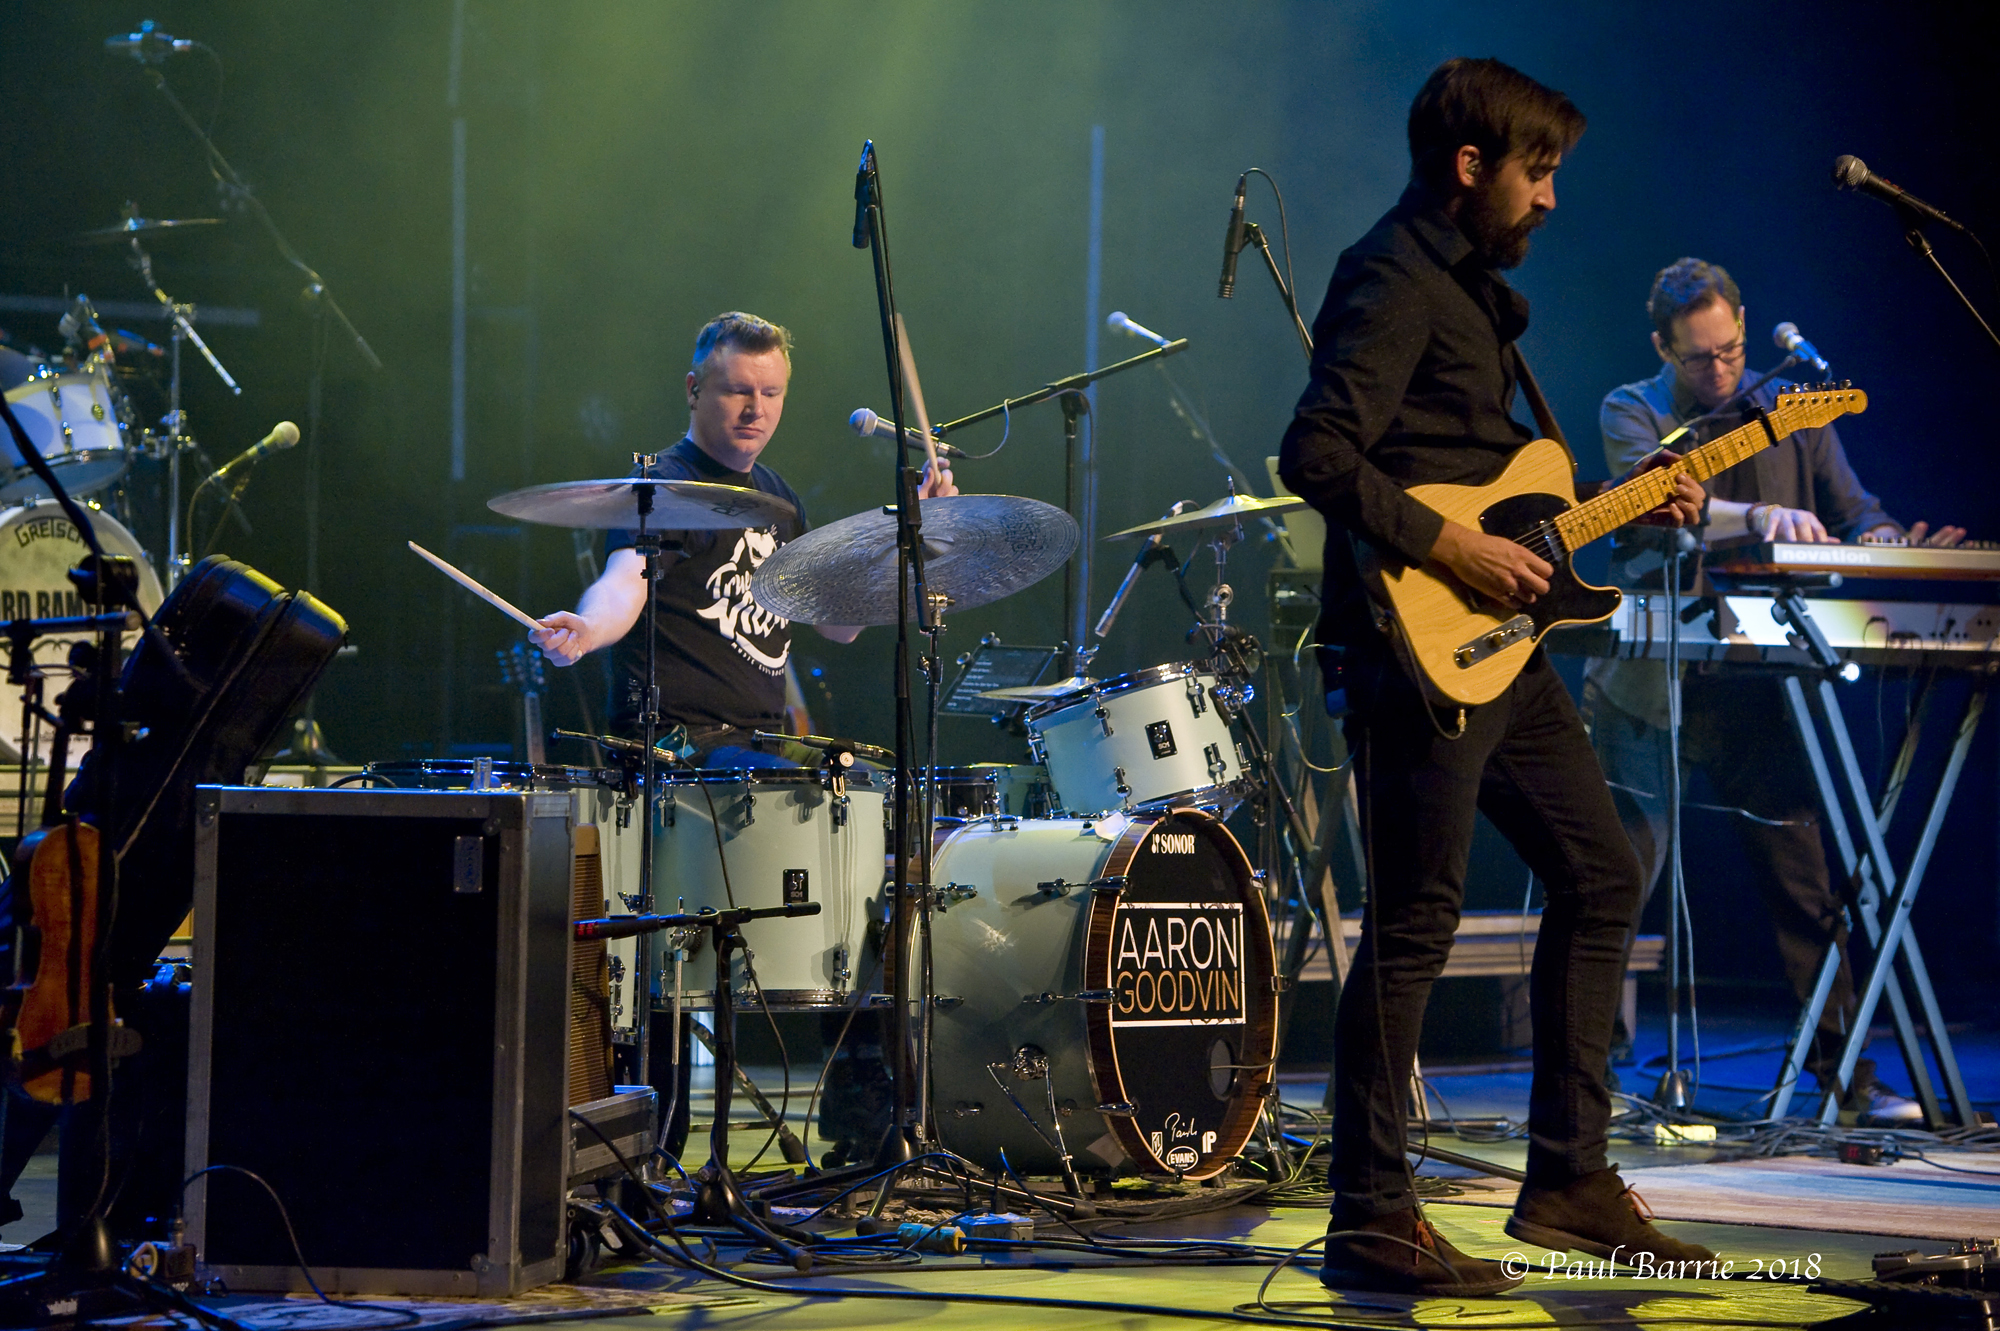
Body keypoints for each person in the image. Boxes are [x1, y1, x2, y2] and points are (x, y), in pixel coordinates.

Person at [1278, 58, 1715, 1297]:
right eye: (1539, 173)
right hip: (1409, 639)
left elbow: (1518, 507)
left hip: (1499, 644)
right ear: (1470, 167)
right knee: (1412, 922)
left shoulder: (1471, 291)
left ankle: (1568, 1179)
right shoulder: (1391, 272)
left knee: (1599, 868)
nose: (1553, 201)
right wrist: (1446, 542)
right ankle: (1369, 1213)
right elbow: (1313, 448)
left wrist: (1635, 517)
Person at [1586, 257, 1963, 1124]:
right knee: (1612, 883)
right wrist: (1756, 518)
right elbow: (1646, 499)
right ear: (1663, 348)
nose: (1720, 372)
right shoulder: (1632, 409)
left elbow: (1854, 507)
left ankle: (1848, 1081)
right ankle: (1589, 1082)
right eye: (1699, 360)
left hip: (1765, 687)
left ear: (1746, 328)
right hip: (1654, 686)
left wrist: (1888, 538)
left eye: (1731, 352)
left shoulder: (1794, 409)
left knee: (1807, 884)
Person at [530, 311, 954, 761]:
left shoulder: (778, 498)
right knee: (797, 789)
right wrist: (589, 629)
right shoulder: (665, 487)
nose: (757, 409)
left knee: (881, 787)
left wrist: (904, 539)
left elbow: (837, 625)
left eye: (771, 393)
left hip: (762, 740)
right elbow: (624, 584)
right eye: (738, 391)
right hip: (678, 745)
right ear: (694, 390)